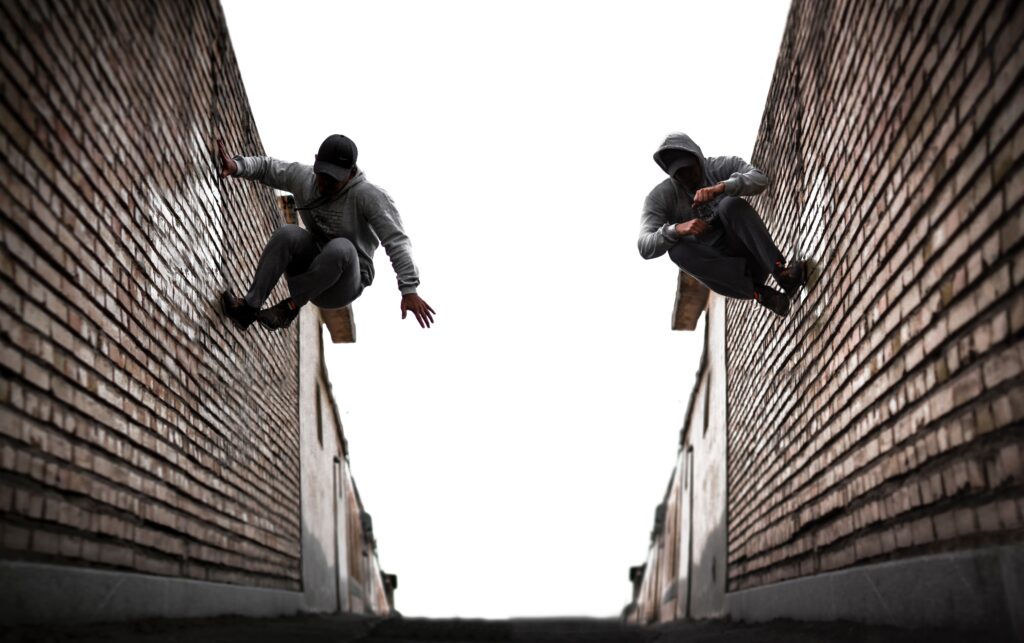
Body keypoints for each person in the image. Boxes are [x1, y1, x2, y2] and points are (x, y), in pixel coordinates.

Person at [216, 134, 435, 330]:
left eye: (334, 179)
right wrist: (238, 166)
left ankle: (290, 308)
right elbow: (268, 168)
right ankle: (248, 309)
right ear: (316, 162)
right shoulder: (305, 178)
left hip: (343, 282)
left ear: (350, 173)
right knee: (288, 233)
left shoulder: (369, 196)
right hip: (311, 266)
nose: (325, 183)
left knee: (342, 248)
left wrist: (409, 289)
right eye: (323, 175)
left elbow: (396, 240)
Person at [638, 133, 807, 316]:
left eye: (688, 169)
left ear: (697, 158)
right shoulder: (662, 197)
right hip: (731, 276)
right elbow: (644, 246)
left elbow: (760, 179)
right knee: (677, 250)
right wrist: (677, 229)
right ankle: (762, 294)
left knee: (729, 204)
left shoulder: (719, 167)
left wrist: (722, 187)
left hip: (753, 255)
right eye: (679, 174)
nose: (686, 177)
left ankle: (781, 273)